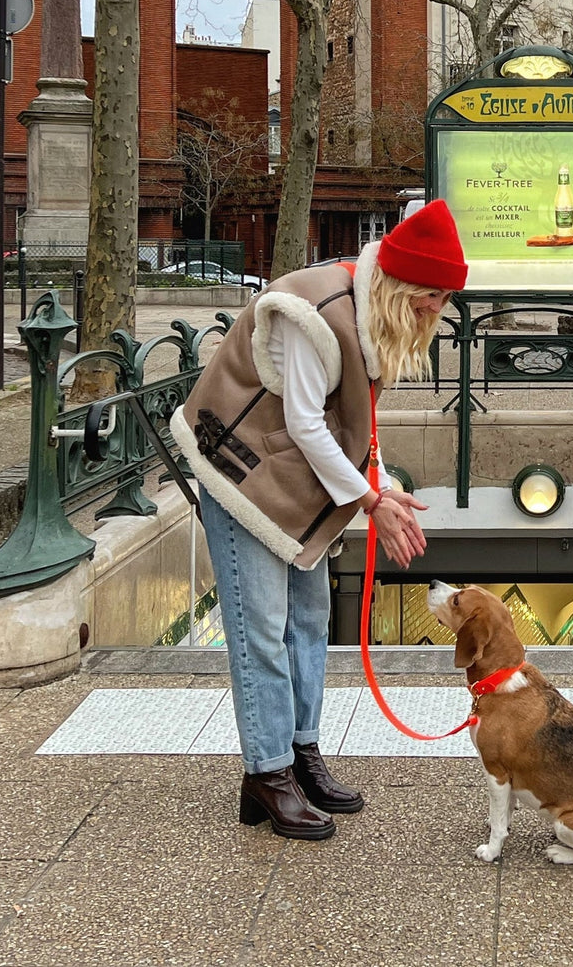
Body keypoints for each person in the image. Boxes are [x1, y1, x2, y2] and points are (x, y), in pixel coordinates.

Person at [171, 199, 467, 840]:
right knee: (261, 632)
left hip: (291, 480)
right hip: (241, 472)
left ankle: (299, 756)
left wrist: (384, 486)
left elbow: (351, 427)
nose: (435, 310)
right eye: (430, 295)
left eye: (443, 297)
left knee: (309, 620)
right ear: (400, 284)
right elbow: (307, 421)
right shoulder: (313, 315)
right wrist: (371, 503)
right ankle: (268, 773)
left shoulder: (370, 320)